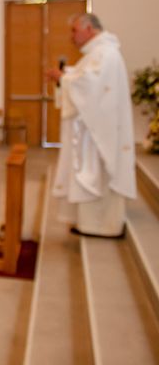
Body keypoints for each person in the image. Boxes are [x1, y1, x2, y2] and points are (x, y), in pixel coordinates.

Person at [46, 13, 136, 238]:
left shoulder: (105, 53)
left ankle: (102, 225)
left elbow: (90, 85)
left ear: (89, 30)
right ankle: (89, 223)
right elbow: (84, 77)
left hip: (98, 133)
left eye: (75, 30)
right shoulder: (97, 53)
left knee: (96, 173)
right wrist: (66, 76)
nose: (72, 36)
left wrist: (63, 78)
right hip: (93, 128)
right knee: (89, 173)